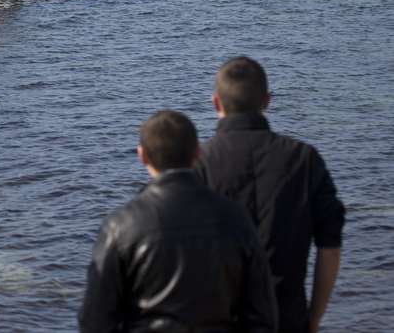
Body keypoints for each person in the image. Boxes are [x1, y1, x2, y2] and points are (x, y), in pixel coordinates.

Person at [80, 110, 277, 332]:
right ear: (197, 153)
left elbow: (95, 320)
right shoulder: (235, 217)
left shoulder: (121, 226)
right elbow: (262, 315)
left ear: (142, 155)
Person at [196, 56, 346, 333]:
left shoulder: (198, 164)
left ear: (216, 102)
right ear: (267, 101)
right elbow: (330, 249)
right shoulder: (305, 160)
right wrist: (313, 318)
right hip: (287, 317)